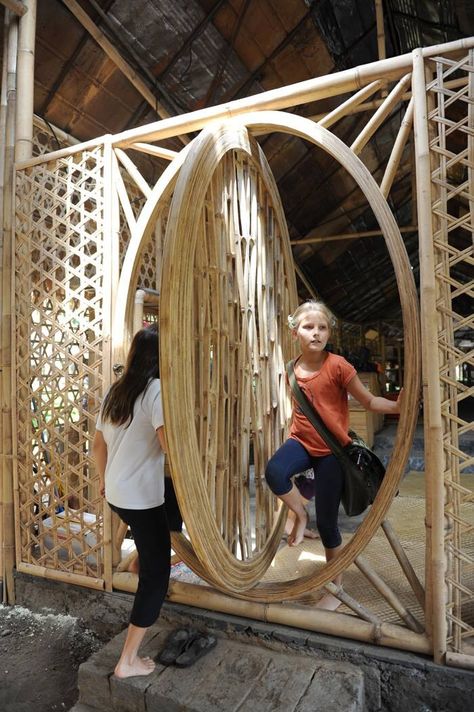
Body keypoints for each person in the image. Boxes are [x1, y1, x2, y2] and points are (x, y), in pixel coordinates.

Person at [265, 300, 402, 610]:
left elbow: (368, 402)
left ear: (329, 332)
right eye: (309, 327)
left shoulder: (339, 365)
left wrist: (395, 406)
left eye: (322, 327)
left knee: (328, 522)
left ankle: (336, 588)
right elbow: (299, 411)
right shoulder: (290, 369)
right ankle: (299, 514)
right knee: (274, 472)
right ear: (294, 331)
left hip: (332, 452)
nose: (316, 333)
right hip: (300, 442)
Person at [92, 324, 170, 678]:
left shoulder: (116, 391)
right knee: (158, 578)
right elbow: (168, 443)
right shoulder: (156, 392)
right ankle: (128, 660)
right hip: (141, 499)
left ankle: (140, 562)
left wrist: (104, 480)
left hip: (117, 494)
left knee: (171, 520)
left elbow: (97, 444)